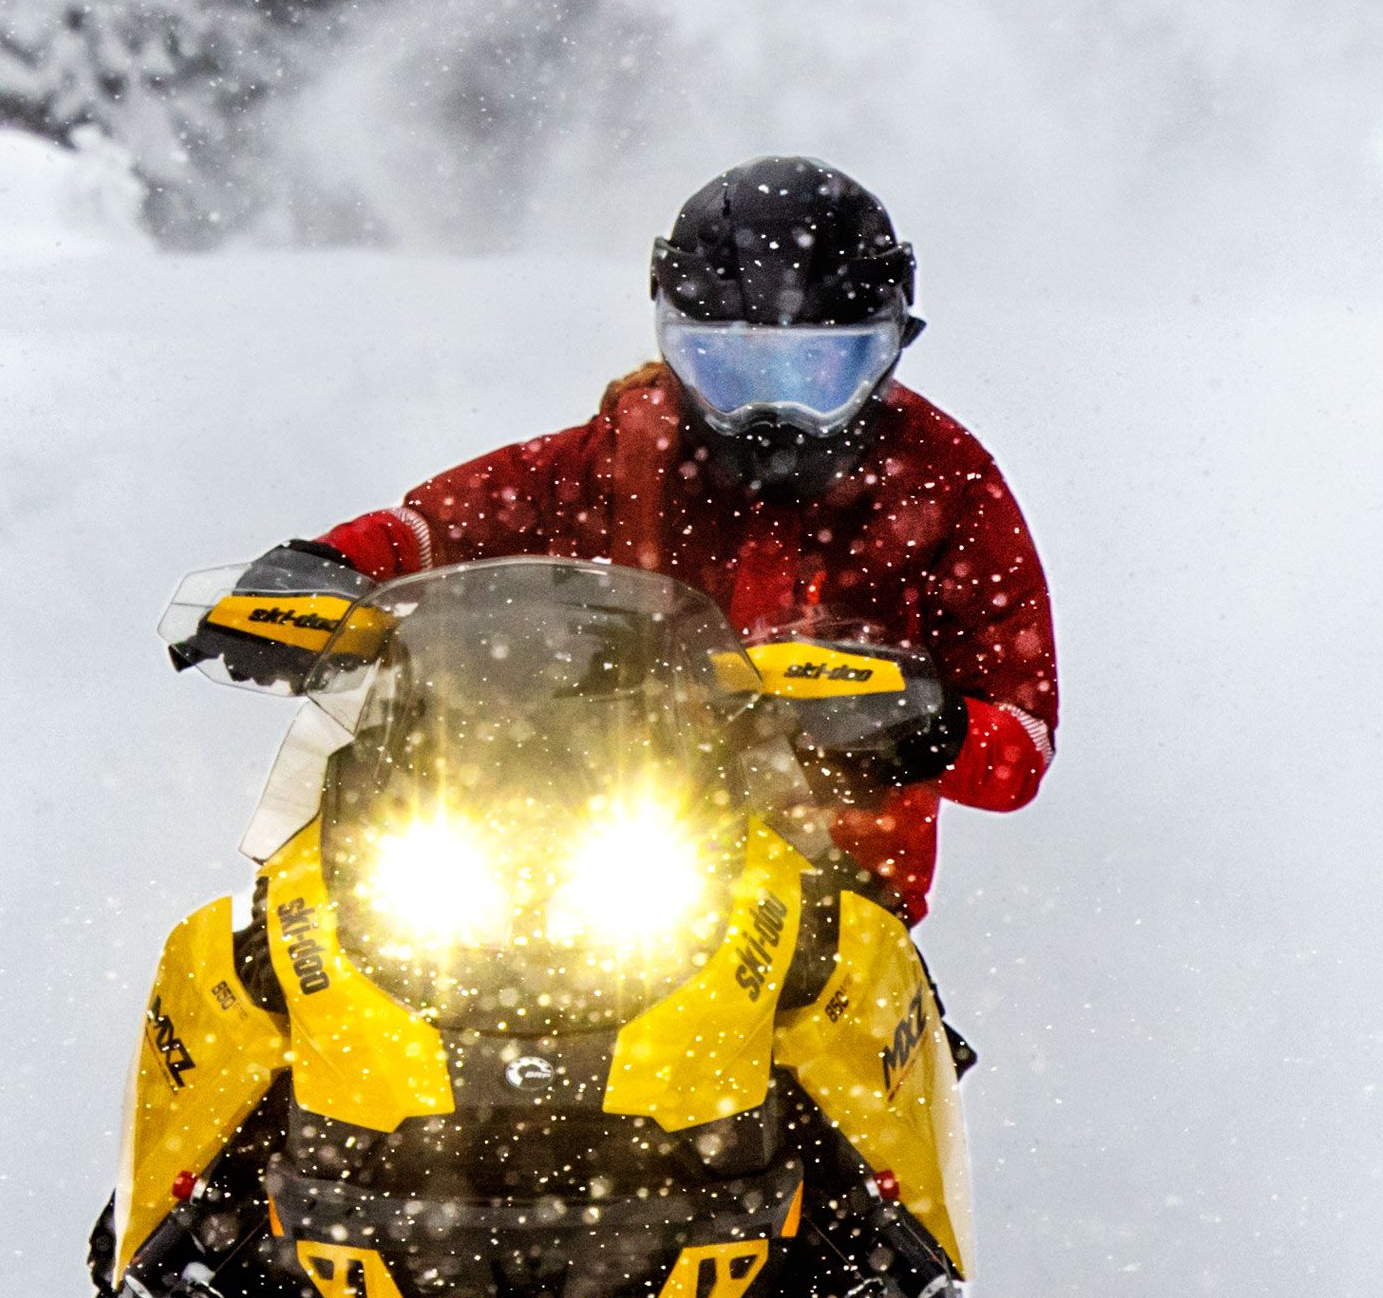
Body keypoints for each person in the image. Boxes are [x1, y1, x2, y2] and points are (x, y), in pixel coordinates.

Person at [290, 155, 1055, 926]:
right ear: (673, 346)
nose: (772, 413)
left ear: (888, 352)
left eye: (817, 370)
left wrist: (930, 726)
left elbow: (1022, 739)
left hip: (834, 896)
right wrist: (321, 570)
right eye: (727, 367)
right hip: (576, 853)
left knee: (836, 1040)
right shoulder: (632, 449)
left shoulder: (939, 480)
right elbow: (438, 531)